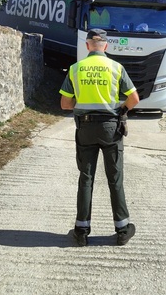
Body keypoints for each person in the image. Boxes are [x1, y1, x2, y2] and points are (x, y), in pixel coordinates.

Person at [59, 28, 140, 247]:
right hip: (110, 129)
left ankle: (81, 230)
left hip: (85, 129)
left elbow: (65, 104)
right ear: (105, 46)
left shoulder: (76, 69)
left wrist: (85, 108)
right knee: (115, 178)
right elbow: (134, 99)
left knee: (86, 178)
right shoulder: (116, 68)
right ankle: (122, 229)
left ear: (87, 46)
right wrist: (120, 110)